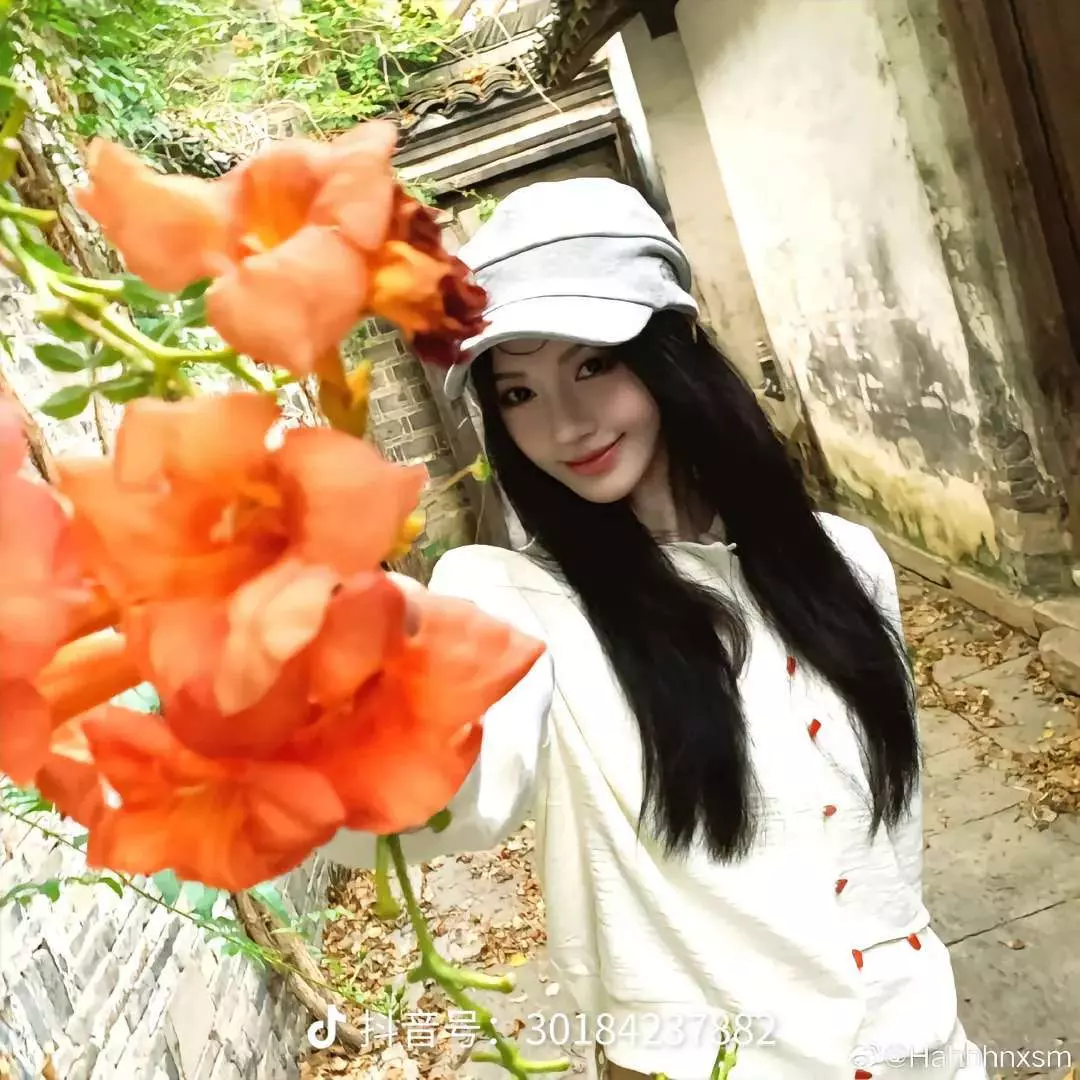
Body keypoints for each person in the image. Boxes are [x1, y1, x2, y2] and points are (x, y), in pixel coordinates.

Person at [320, 177, 987, 1080]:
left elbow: (889, 857)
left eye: (593, 365)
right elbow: (426, 802)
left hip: (928, 1051)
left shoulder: (845, 562)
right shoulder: (514, 603)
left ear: (673, 352)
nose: (564, 424)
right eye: (516, 392)